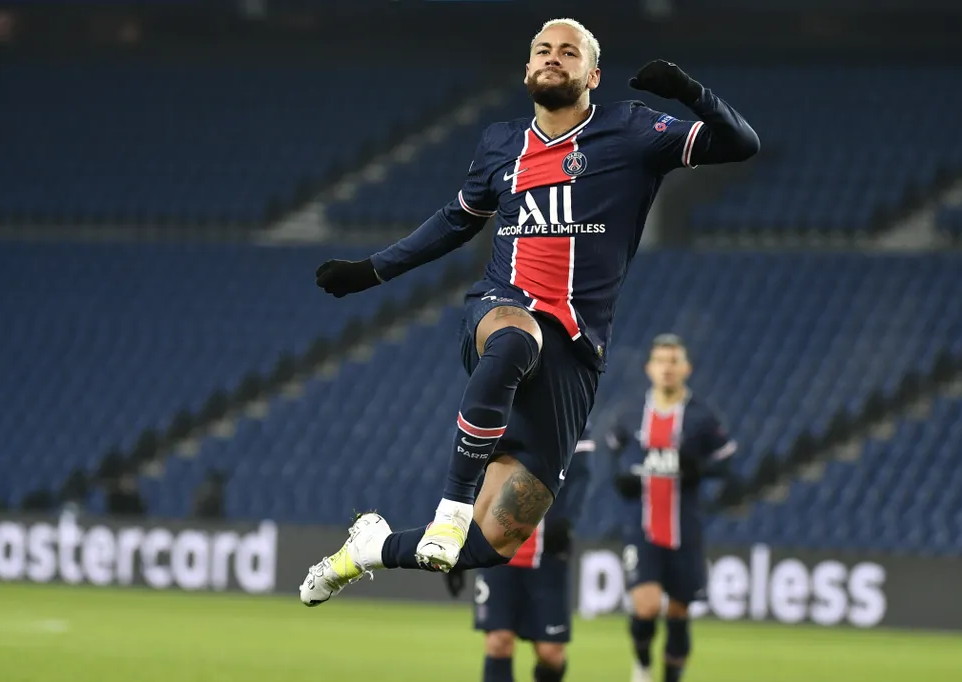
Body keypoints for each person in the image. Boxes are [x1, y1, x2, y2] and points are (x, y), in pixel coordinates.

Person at [300, 17, 758, 607]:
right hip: (502, 309)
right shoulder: (500, 143)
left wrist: (688, 90)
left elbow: (742, 143)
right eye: (543, 49)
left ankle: (366, 549)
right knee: (516, 340)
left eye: (569, 52)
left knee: (492, 542)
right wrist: (374, 269)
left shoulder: (632, 130)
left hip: (577, 353)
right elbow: (455, 220)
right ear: (526, 70)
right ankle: (449, 506)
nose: (552, 58)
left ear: (593, 74)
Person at [607, 334, 737, 682]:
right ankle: (643, 664)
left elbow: (727, 461)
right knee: (646, 606)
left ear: (686, 368)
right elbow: (614, 453)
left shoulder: (702, 418)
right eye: (661, 361)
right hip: (641, 527)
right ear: (650, 368)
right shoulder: (631, 414)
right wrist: (621, 478)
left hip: (684, 528)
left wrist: (700, 471)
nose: (667, 368)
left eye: (674, 361)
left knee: (679, 611)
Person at [444, 427, 594, 682]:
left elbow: (580, 476)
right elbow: (467, 479)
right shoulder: (495, 415)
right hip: (496, 547)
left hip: (548, 554)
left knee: (551, 653)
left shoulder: (571, 413)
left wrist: (567, 520)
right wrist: (458, 542)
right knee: (498, 641)